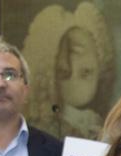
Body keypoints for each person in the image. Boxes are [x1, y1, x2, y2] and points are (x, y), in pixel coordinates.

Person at [22, 2, 115, 139]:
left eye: (86, 73)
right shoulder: (40, 130)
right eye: (64, 73)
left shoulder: (100, 125)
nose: (75, 83)